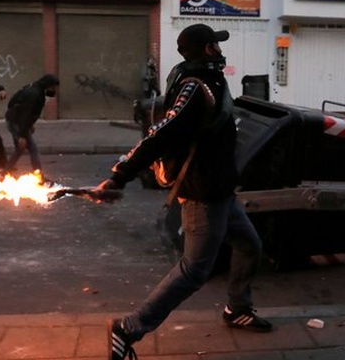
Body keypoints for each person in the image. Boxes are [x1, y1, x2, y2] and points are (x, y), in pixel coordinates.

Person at [95, 24, 272, 360]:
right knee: (194, 271)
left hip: (221, 190)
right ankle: (127, 329)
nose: (219, 50)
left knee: (250, 245)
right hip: (203, 193)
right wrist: (121, 175)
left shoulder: (210, 79)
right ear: (205, 49)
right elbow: (159, 135)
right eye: (214, 45)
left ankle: (237, 308)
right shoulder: (195, 87)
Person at [4, 74, 59, 175]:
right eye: (53, 87)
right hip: (17, 123)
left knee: (20, 149)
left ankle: (5, 171)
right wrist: (22, 135)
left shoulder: (33, 87)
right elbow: (26, 115)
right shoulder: (35, 94)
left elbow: (12, 103)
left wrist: (29, 125)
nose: (53, 90)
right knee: (32, 148)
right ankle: (38, 174)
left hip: (16, 121)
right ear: (47, 85)